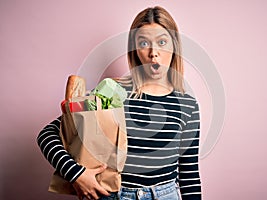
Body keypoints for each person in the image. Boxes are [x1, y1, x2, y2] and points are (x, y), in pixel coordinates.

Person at [37, 6, 202, 200]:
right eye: (143, 43)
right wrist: (76, 174)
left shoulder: (188, 105)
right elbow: (47, 134)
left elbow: (189, 175)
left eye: (162, 42)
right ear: (134, 50)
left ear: (174, 46)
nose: (153, 53)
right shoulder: (113, 92)